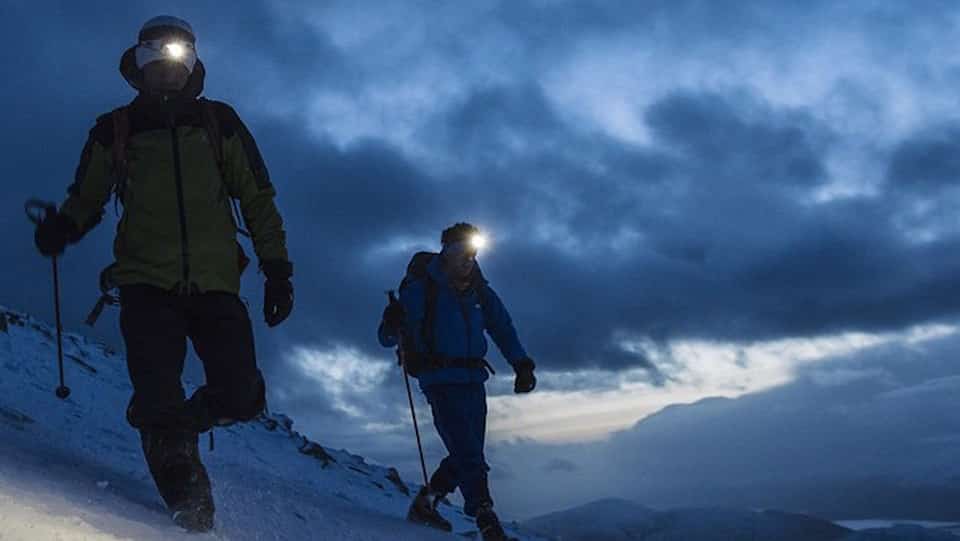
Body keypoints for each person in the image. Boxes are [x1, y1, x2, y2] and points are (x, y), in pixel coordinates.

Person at [32, 15, 293, 532]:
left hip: (217, 283)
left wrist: (277, 268)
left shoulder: (221, 122)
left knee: (242, 395)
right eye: (157, 58)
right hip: (145, 284)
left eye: (179, 59)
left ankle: (173, 427)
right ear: (141, 65)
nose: (168, 69)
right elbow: (89, 195)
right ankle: (187, 497)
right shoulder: (115, 130)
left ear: (191, 65)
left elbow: (258, 198)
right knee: (157, 391)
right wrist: (64, 227)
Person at [378, 222, 536, 541]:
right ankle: (486, 520)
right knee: (468, 451)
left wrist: (521, 364)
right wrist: (390, 321)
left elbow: (502, 327)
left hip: (473, 378)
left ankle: (428, 503)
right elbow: (386, 338)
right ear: (445, 252)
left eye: (473, 252)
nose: (468, 259)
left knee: (468, 450)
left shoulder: (480, 290)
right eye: (459, 252)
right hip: (439, 379)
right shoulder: (422, 289)